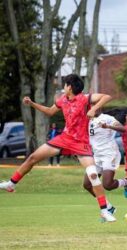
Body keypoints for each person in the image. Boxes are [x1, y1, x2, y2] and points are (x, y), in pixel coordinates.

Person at [0, 74, 116, 222]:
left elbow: (106, 96)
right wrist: (32, 103)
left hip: (81, 143)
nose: (63, 87)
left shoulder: (84, 98)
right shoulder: (62, 100)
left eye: (65, 84)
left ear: (70, 87)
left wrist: (94, 109)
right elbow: (49, 111)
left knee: (93, 175)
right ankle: (11, 184)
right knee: (32, 158)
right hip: (64, 139)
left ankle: (105, 210)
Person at [83, 110, 127, 216]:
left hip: (109, 154)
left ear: (99, 107)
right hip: (96, 155)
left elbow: (123, 129)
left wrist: (108, 127)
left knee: (107, 185)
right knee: (87, 184)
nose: (89, 108)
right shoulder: (87, 119)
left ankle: (126, 182)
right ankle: (108, 207)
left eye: (92, 106)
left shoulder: (107, 118)